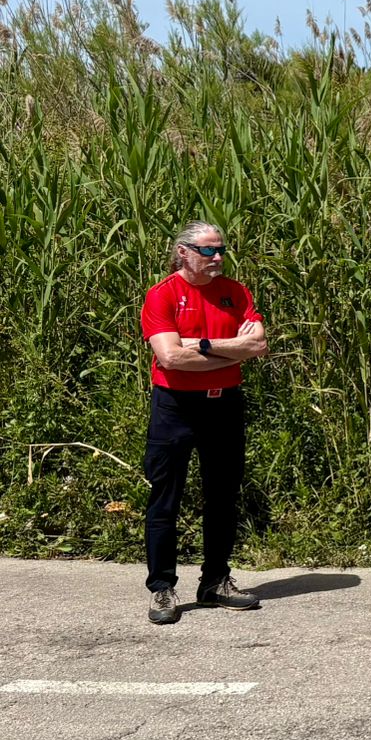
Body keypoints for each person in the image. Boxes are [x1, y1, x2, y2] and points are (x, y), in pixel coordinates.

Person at [138, 221, 270, 625]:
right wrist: (234, 349)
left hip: (224, 405)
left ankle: (215, 581)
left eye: (221, 250)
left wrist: (203, 345)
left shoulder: (236, 292)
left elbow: (259, 345)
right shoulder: (162, 295)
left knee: (223, 495)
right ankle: (162, 588)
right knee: (166, 498)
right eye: (208, 251)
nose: (218, 258)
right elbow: (171, 358)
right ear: (183, 252)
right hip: (175, 407)